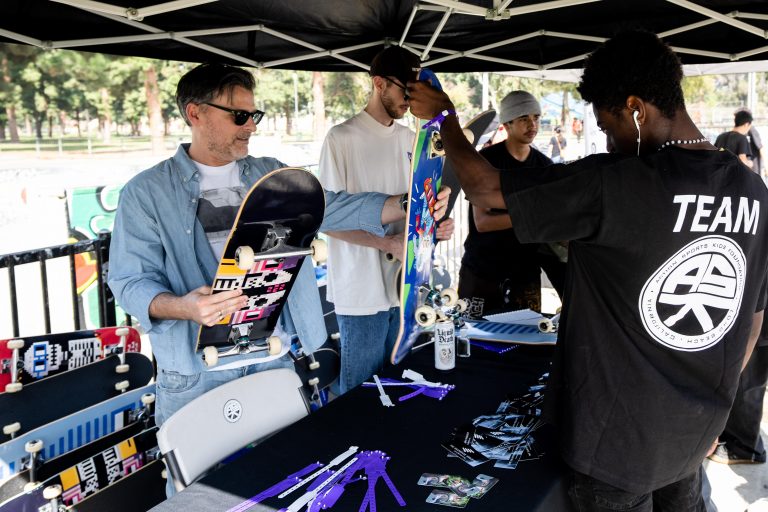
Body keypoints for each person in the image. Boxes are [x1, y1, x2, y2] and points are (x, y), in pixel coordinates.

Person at [407, 29, 768, 511]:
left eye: (608, 123)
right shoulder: (752, 191)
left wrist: (445, 115)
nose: (608, 138)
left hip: (614, 446)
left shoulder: (617, 182)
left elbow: (484, 187)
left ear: (636, 108)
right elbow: (751, 318)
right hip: (693, 434)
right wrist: (714, 413)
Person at [108, 63, 452, 440]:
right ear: (195, 113)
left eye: (254, 115)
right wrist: (183, 307)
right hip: (196, 371)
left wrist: (411, 202)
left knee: (283, 471)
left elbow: (334, 207)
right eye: (239, 116)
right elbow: (128, 281)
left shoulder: (271, 174)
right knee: (200, 493)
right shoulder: (146, 193)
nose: (251, 126)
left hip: (273, 359)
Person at [318, 46, 454, 394]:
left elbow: (416, 210)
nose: (410, 98)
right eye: (404, 89)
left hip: (405, 288)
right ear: (378, 83)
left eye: (416, 89)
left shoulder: (413, 140)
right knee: (361, 391)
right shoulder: (342, 138)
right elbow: (326, 218)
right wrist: (385, 242)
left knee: (399, 385)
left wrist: (436, 224)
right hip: (360, 290)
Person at [458, 90, 553, 318]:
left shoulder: (545, 166)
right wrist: (531, 216)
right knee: (473, 340)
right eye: (524, 119)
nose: (532, 125)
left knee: (525, 343)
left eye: (536, 118)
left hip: (525, 272)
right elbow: (482, 222)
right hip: (482, 272)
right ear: (507, 124)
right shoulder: (485, 161)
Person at [709, 311, 768, 465]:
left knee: (747, 383)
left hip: (759, 321)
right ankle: (744, 442)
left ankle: (744, 448)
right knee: (749, 381)